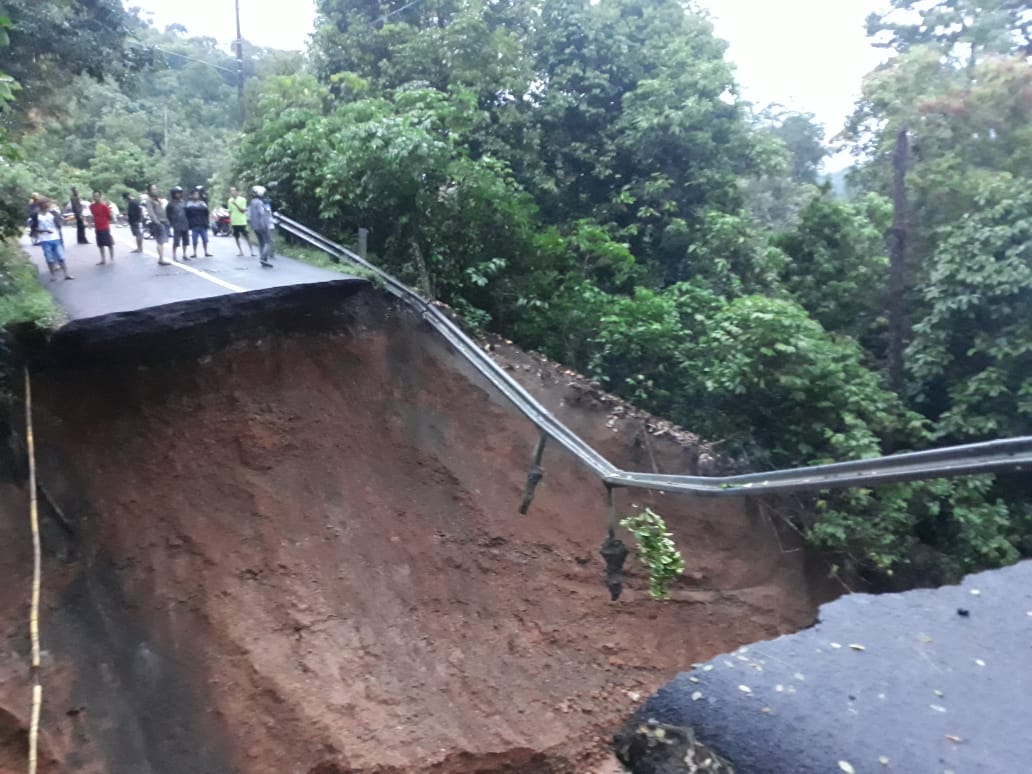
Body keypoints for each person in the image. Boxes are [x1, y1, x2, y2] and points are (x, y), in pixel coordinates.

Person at [31, 198, 74, 281]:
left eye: (48, 203)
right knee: (49, 258)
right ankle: (53, 276)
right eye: (46, 203)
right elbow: (34, 229)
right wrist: (45, 231)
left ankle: (66, 274)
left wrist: (62, 222)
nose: (48, 205)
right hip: (44, 240)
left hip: (56, 238)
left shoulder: (52, 213)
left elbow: (61, 221)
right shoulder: (36, 215)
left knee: (61, 256)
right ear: (41, 205)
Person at [142, 183, 172, 265]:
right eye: (153, 189)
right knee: (160, 241)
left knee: (163, 240)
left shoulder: (156, 199)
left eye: (156, 189)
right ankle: (161, 259)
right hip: (159, 222)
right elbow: (151, 212)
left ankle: (161, 258)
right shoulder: (149, 200)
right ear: (149, 191)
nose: (155, 190)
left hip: (164, 221)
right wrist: (157, 222)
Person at [247, 185, 273, 267]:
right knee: (268, 242)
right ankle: (263, 258)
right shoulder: (259, 202)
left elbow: (249, 215)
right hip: (262, 225)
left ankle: (263, 260)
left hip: (255, 226)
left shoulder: (252, 202)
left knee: (261, 243)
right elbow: (262, 213)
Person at [184, 188, 213, 258]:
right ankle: (194, 252)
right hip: (194, 224)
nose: (196, 196)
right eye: (194, 194)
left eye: (197, 194)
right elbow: (187, 213)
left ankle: (206, 251)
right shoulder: (189, 204)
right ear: (191, 195)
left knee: (205, 239)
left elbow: (206, 212)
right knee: (194, 240)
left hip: (202, 224)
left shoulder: (202, 203)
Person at [228, 186, 255, 257]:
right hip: (234, 221)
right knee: (236, 237)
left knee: (247, 236)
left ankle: (252, 251)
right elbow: (230, 212)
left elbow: (243, 210)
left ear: (237, 192)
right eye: (231, 191)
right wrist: (230, 222)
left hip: (242, 221)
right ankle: (240, 251)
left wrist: (235, 204)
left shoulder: (243, 199)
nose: (232, 192)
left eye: (233, 191)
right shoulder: (229, 200)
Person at [89, 191, 115, 265]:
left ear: (100, 197)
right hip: (97, 227)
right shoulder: (92, 206)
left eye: (97, 196)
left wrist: (109, 218)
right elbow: (92, 215)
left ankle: (112, 258)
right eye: (94, 196)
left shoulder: (104, 206)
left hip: (105, 227)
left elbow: (109, 217)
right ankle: (103, 259)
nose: (96, 198)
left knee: (109, 243)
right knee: (100, 244)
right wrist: (90, 224)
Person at [166, 186, 190, 261]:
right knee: (176, 241)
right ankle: (174, 255)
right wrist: (171, 223)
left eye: (179, 193)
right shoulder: (170, 204)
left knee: (185, 240)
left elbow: (187, 213)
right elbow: (168, 214)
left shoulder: (183, 203)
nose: (178, 195)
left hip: (185, 223)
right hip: (176, 224)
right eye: (177, 193)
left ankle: (184, 254)